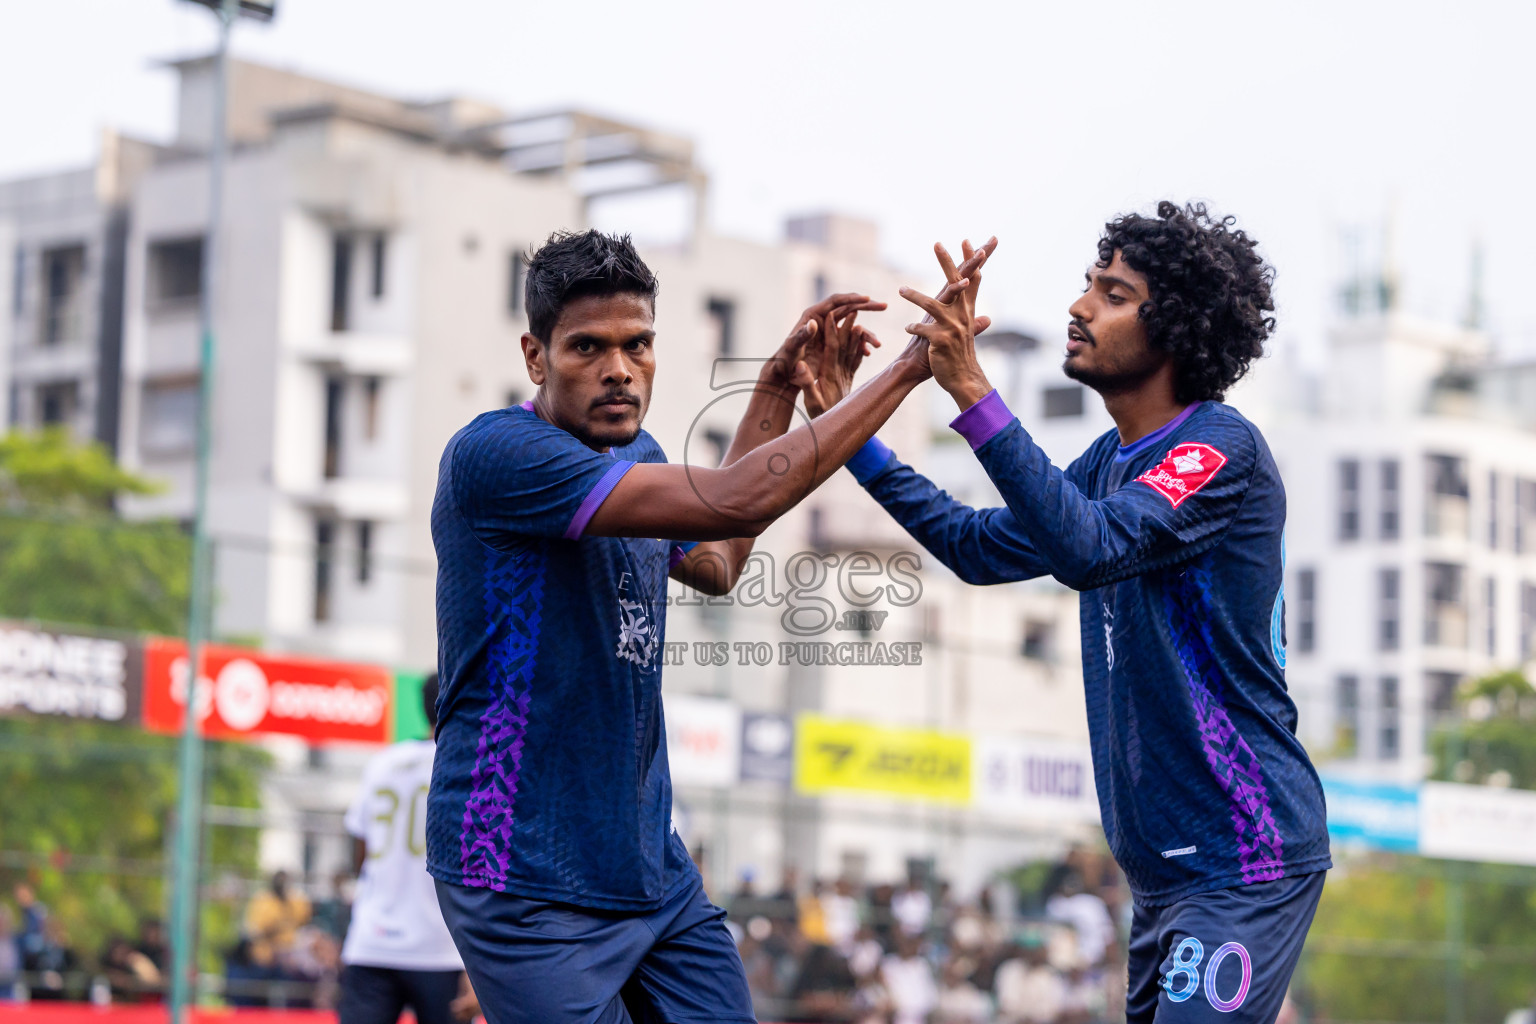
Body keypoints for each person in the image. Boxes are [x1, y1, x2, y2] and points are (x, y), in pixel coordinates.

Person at [426, 228, 993, 1024]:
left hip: (648, 872)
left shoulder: (641, 453)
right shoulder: (500, 455)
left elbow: (721, 557)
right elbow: (735, 499)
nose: (619, 369)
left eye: (638, 345)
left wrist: (774, 391)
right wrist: (908, 370)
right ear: (535, 356)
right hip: (523, 877)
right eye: (587, 347)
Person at [811, 203, 1331, 1022]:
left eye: (1113, 293)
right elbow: (977, 548)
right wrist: (846, 433)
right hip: (1164, 879)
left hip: (1244, 855)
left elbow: (1092, 547)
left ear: (1176, 328)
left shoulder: (1218, 450)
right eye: (1089, 285)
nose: (1079, 306)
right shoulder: (1104, 465)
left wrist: (974, 390)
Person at [338, 674, 470, 1024]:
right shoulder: (466, 766)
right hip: (442, 950)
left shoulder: (383, 763)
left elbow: (360, 851)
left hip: (372, 943)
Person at [243, 870, 312, 975]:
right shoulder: (263, 900)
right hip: (266, 955)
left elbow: (304, 921)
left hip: (291, 955)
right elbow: (256, 931)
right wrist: (278, 927)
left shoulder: (295, 900)